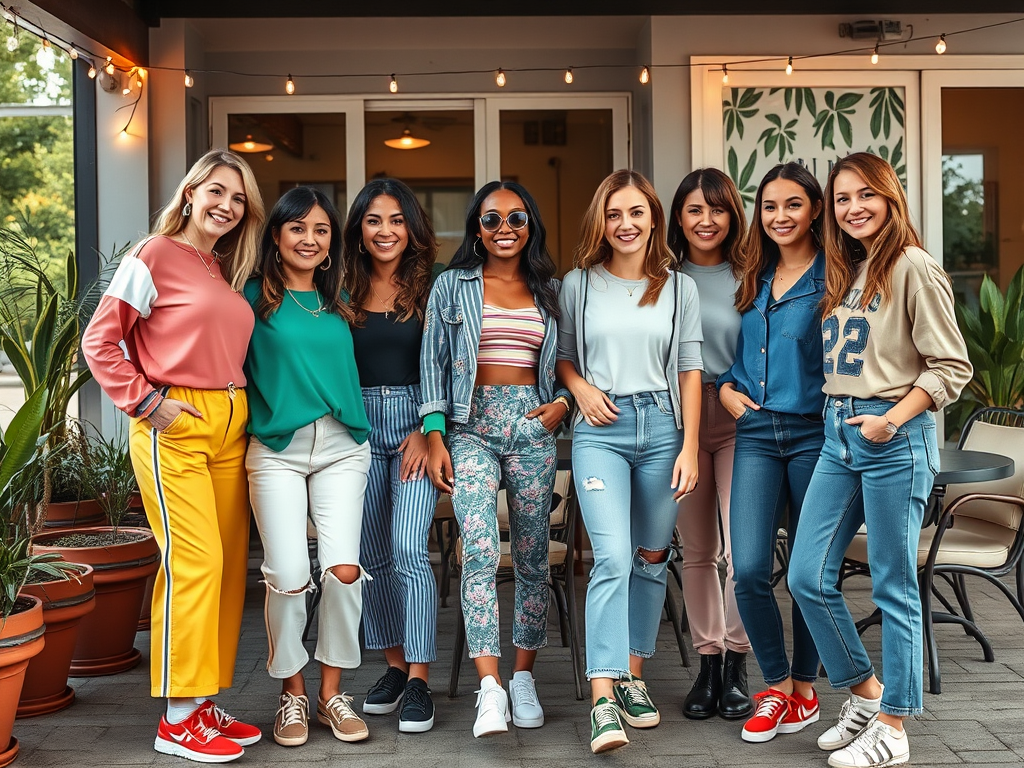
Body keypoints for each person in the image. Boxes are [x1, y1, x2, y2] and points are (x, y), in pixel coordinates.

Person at [81, 149, 265, 763]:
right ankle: (177, 718)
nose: (227, 206)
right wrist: (145, 403)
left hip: (228, 426)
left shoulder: (217, 267)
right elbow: (100, 341)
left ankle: (203, 699)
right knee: (194, 562)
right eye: (217, 191)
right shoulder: (152, 253)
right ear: (190, 192)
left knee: (227, 566)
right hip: (176, 423)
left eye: (238, 199)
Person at [789, 152, 972, 768]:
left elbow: (952, 367)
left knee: (894, 586)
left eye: (865, 195)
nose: (853, 208)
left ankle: (894, 727)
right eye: (842, 199)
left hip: (894, 435)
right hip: (838, 434)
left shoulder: (913, 267)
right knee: (807, 575)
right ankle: (867, 694)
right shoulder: (849, 269)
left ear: (890, 198)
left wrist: (891, 418)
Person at [556, 169, 703, 754]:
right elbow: (563, 357)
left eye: (636, 213)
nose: (625, 224)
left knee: (649, 557)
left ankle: (634, 679)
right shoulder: (577, 285)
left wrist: (690, 444)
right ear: (601, 221)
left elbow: (690, 369)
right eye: (614, 214)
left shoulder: (679, 287)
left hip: (664, 429)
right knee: (612, 556)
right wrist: (580, 390)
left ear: (653, 219)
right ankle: (601, 699)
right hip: (601, 430)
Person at [421, 181, 569, 739]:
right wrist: (435, 434)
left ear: (531, 224)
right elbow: (432, 362)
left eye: (516, 217)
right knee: (480, 549)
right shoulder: (453, 286)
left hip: (532, 424)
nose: (504, 228)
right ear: (475, 228)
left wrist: (561, 405)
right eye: (491, 220)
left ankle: (524, 676)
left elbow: (575, 360)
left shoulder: (550, 290)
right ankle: (491, 688)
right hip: (471, 426)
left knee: (533, 555)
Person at [243, 186, 373, 749]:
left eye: (321, 230)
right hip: (276, 448)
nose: (310, 238)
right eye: (298, 228)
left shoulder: (340, 298)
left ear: (330, 244)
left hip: (343, 445)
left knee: (343, 570)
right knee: (290, 575)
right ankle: (291, 694)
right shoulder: (251, 298)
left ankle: (330, 695)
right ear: (276, 236)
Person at [718, 162, 826, 745]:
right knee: (749, 568)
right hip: (755, 434)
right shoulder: (750, 274)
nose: (779, 217)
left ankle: (803, 693)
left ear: (814, 210)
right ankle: (777, 684)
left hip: (814, 434)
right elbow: (729, 354)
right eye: (768, 206)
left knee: (810, 572)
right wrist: (725, 389)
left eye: (792, 205)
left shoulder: (837, 276)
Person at [342, 179, 440, 734]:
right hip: (355, 429)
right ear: (359, 227)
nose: (386, 231)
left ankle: (422, 679)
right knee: (370, 557)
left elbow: (449, 367)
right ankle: (395, 667)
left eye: (397, 220)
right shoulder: (340, 288)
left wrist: (430, 430)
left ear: (412, 228)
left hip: (413, 426)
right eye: (375, 220)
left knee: (408, 549)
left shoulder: (432, 288)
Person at [667, 168, 753, 721]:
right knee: (697, 551)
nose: (706, 220)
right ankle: (708, 662)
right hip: (681, 429)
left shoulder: (753, 274)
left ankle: (740, 660)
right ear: (678, 217)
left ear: (732, 216)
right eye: (695, 210)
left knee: (739, 552)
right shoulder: (661, 278)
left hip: (741, 423)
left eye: (717, 209)